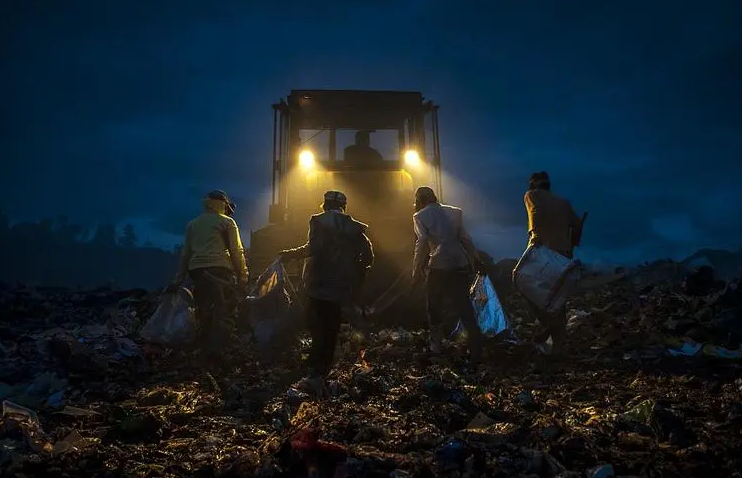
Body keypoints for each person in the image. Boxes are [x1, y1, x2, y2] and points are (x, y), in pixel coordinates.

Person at [280, 190, 374, 395]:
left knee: (316, 322)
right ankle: (324, 363)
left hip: (317, 282)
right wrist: (357, 270)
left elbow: (312, 248)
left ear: (324, 204)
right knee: (332, 324)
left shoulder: (318, 221)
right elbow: (368, 255)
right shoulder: (355, 227)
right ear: (344, 206)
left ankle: (316, 361)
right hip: (341, 284)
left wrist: (290, 254)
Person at [170, 190, 249, 357]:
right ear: (223, 205)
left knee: (203, 310)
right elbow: (236, 251)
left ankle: (201, 348)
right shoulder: (227, 222)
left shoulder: (193, 224)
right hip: (220, 271)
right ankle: (214, 354)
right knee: (223, 312)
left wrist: (178, 280)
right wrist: (243, 276)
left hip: (197, 273)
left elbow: (186, 254)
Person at [412, 186, 483, 362]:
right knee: (464, 306)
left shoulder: (419, 216)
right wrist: (475, 261)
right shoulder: (455, 212)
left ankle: (436, 347)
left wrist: (416, 270)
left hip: (439, 265)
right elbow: (466, 240)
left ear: (419, 201)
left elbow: (421, 244)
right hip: (460, 264)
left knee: (433, 305)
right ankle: (477, 347)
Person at [523, 171, 583, 354]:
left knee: (524, 285)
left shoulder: (531, 195)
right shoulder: (564, 203)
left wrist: (535, 236)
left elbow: (535, 212)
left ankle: (549, 326)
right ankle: (557, 346)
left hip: (543, 252)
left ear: (533, 185)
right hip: (563, 255)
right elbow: (577, 225)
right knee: (559, 297)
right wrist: (572, 243)